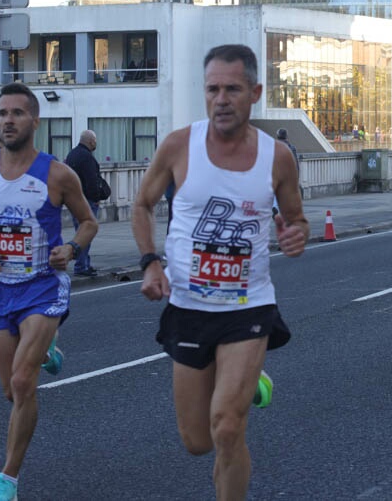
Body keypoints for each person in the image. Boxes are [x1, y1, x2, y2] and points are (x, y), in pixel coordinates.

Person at [132, 45, 309, 500]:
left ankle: (241, 381)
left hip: (248, 306)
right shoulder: (178, 146)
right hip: (189, 306)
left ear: (255, 92)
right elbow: (142, 203)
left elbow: (296, 217)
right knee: (198, 441)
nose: (221, 99)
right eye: (213, 89)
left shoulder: (278, 157)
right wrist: (150, 261)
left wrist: (296, 234)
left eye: (232, 88)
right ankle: (247, 383)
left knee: (228, 429)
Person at [0, 83, 98, 501]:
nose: (8, 120)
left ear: (35, 120)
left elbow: (88, 221)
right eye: (2, 113)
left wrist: (71, 248)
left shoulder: (56, 174)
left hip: (41, 289)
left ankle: (6, 482)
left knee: (22, 379)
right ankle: (49, 351)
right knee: (10, 392)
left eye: (16, 113)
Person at [64, 129, 103, 277]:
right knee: (86, 233)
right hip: (86, 201)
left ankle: (84, 263)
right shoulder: (87, 158)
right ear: (90, 141)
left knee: (79, 232)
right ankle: (81, 266)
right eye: (95, 141)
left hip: (73, 200)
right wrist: (96, 198)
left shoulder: (72, 154)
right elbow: (92, 181)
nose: (96, 143)